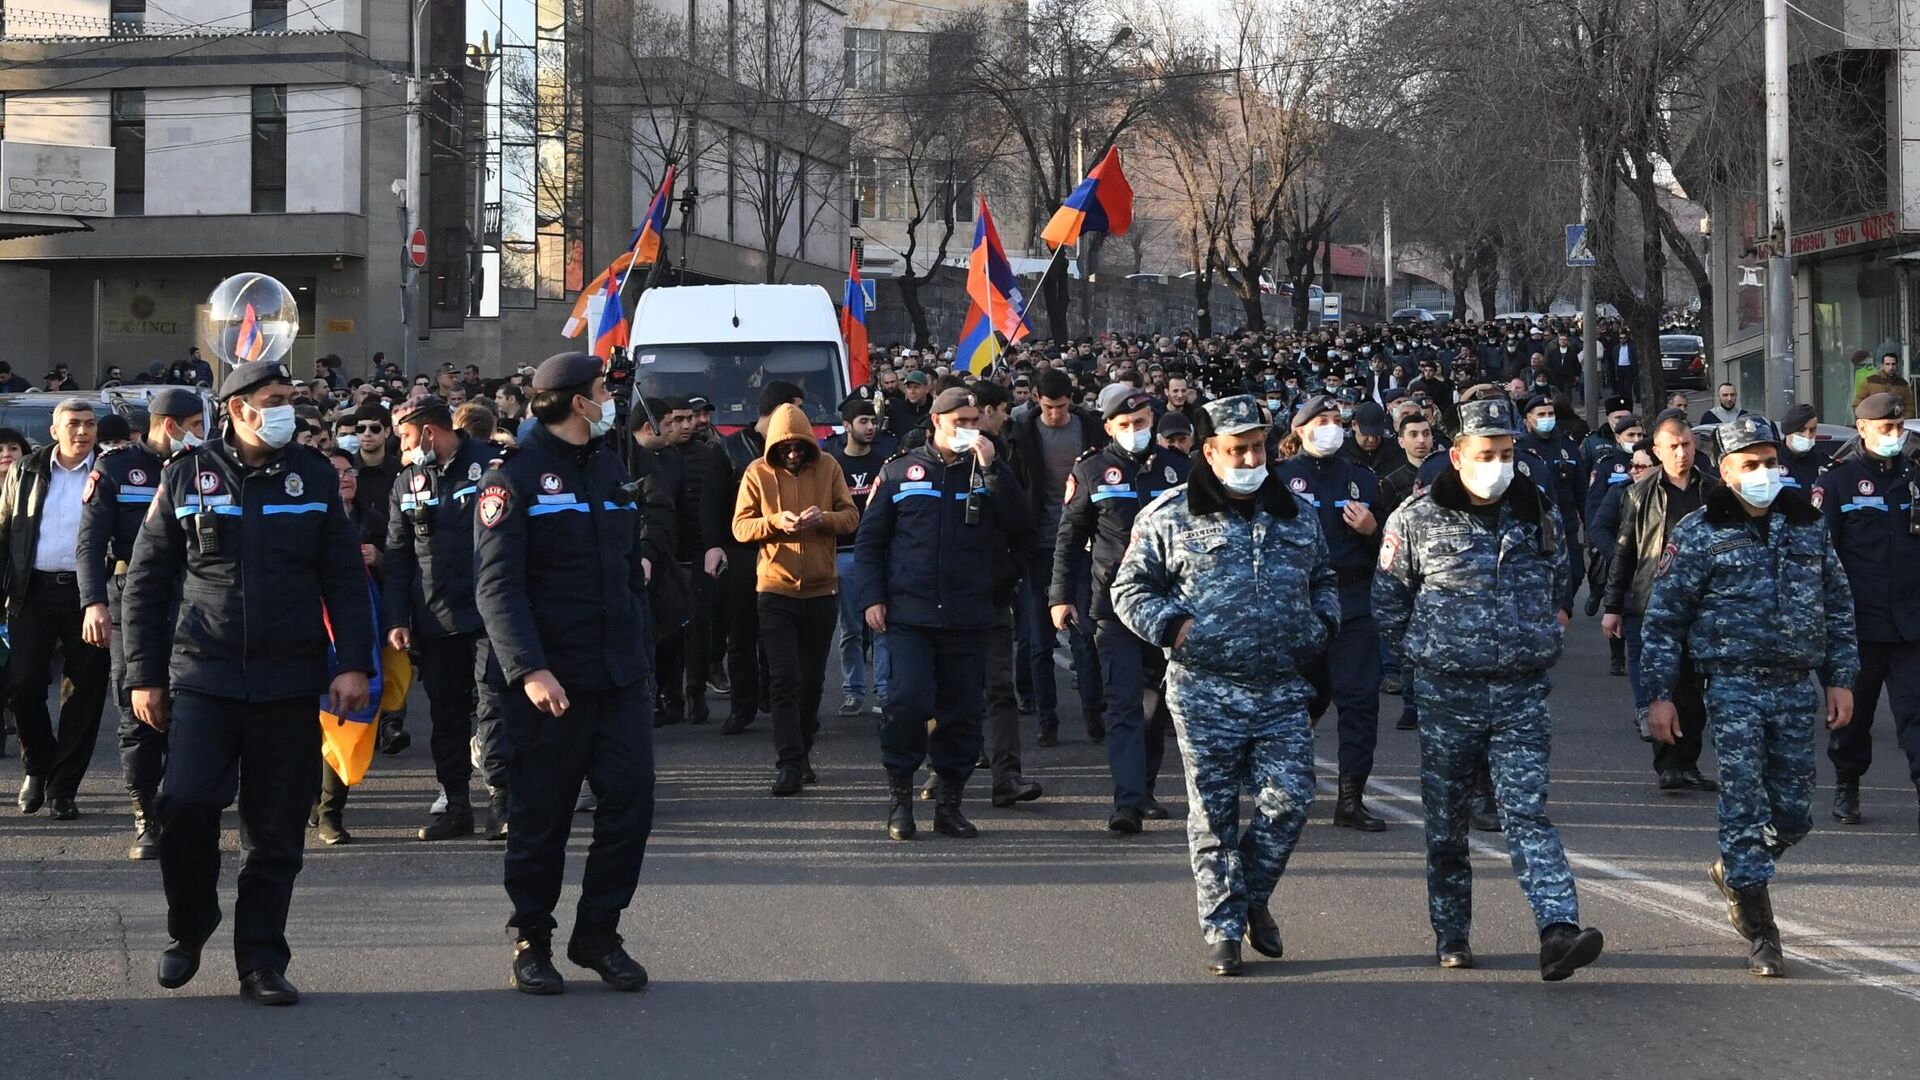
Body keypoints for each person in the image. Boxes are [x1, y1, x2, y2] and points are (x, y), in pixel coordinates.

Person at [123, 358, 374, 1005]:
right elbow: (147, 584)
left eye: (291, 396)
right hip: (203, 677)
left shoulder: (313, 476)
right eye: (276, 397)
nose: (289, 406)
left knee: (276, 827)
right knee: (183, 804)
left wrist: (353, 662)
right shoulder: (187, 475)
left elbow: (344, 578)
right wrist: (142, 677)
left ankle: (261, 960)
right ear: (239, 408)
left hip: (288, 682)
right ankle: (191, 923)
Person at [1374, 396, 1605, 981]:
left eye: (1506, 453)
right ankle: (1452, 930)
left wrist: (1541, 633)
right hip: (1448, 694)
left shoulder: (1537, 512)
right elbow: (1389, 603)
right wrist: (1428, 664)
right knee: (1447, 822)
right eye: (1485, 454)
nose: (1497, 464)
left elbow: (1559, 580)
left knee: (1527, 812)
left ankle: (1558, 929)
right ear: (1457, 456)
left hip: (1521, 693)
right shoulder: (1415, 518)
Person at [1109, 395, 1337, 976]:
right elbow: (1128, 590)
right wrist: (1175, 628)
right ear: (1209, 452)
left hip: (1281, 686)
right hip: (1205, 686)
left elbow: (1324, 577)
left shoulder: (1296, 513)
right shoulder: (1168, 515)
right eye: (1237, 449)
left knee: (1291, 800)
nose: (1251, 458)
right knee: (1212, 814)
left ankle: (1251, 895)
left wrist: (1320, 625)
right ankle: (1224, 927)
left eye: (1258, 446)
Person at [1640, 415, 1858, 978]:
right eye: (1751, 465)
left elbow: (1837, 605)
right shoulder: (1698, 532)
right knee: (1742, 805)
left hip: (1794, 685)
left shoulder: (1806, 525)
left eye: (1771, 463)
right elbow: (1664, 623)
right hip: (1732, 685)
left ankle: (1735, 870)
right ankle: (1762, 930)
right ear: (1728, 470)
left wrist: (1841, 677)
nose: (1765, 473)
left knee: (1794, 815)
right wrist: (1659, 697)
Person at [473, 351, 655, 995]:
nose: (610, 400)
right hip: (549, 683)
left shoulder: (608, 465)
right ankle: (532, 937)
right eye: (603, 391)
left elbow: (627, 558)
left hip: (619, 673)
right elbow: (497, 588)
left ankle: (598, 931)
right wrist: (528, 669)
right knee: (541, 816)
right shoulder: (513, 479)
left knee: (631, 802)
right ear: (579, 402)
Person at [851, 386, 1032, 841]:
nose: (970, 429)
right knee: (907, 704)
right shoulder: (898, 472)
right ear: (937, 421)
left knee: (963, 713)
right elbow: (870, 543)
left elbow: (1021, 523)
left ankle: (950, 804)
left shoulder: (991, 470)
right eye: (960, 422)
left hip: (970, 613)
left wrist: (993, 468)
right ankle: (900, 801)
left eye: (975, 421)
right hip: (910, 615)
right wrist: (872, 597)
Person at [1051, 388, 1191, 833]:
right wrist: (1059, 597)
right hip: (1113, 606)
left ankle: (1146, 788)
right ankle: (1127, 801)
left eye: (1143, 422)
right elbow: (1069, 539)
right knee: (1124, 701)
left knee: (1156, 701)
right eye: (1126, 425)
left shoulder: (1180, 470)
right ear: (1109, 427)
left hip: (1169, 606)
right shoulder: (1091, 471)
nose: (1136, 431)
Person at [76, 388, 205, 858]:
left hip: (195, 601)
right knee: (138, 709)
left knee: (194, 705)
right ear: (169, 425)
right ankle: (144, 811)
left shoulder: (203, 467)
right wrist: (93, 602)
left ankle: (182, 801)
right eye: (194, 426)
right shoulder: (115, 468)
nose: (200, 436)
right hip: (134, 600)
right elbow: (90, 543)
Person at [384, 395, 508, 840]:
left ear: (430, 431)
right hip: (435, 619)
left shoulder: (492, 464)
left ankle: (502, 802)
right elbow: (397, 555)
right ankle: (456, 805)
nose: (404, 445)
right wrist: (397, 617)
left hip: (489, 615)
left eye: (406, 436)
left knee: (493, 706)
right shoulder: (407, 483)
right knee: (446, 717)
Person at [730, 402, 859, 795]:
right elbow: (740, 527)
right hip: (775, 589)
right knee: (784, 680)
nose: (791, 454)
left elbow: (851, 517)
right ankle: (787, 761)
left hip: (821, 590)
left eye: (798, 447)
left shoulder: (830, 468)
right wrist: (774, 523)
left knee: (812, 681)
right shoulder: (756, 472)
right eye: (784, 448)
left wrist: (824, 519)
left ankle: (803, 751)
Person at [1273, 395, 1388, 832]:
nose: (1332, 427)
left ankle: (1351, 798)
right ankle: (1286, 789)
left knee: (1360, 701)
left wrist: (1371, 529)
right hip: (1299, 603)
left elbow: (1389, 546)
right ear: (1300, 430)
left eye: (1337, 420)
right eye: (1322, 420)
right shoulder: (1280, 478)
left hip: (1353, 600)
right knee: (1297, 702)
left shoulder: (1361, 477)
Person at [0, 398, 113, 821]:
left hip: (90, 596)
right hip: (32, 592)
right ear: (54, 430)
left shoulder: (109, 471)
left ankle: (64, 786)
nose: (82, 432)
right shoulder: (26, 470)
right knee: (23, 685)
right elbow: (6, 527)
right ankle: (37, 764)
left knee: (82, 695)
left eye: (89, 424)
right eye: (73, 424)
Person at [1814, 393, 1920, 831]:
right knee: (1852, 719)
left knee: (1916, 712)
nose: (1896, 436)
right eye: (1886, 429)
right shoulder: (1838, 483)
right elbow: (1821, 554)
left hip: (1912, 623)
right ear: (1862, 429)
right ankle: (1847, 784)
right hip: (1858, 625)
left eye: (1899, 428)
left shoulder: (1916, 477)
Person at [1603, 410, 1718, 782]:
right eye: (1673, 446)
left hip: (1705, 603)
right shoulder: (1640, 494)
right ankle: (1668, 764)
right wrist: (1613, 606)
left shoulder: (1713, 490)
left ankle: (1688, 761)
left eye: (1686, 445)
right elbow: (1625, 550)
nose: (1681, 453)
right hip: (1656, 600)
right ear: (1657, 450)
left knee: (1695, 691)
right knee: (1664, 683)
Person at [1008, 368, 1106, 746]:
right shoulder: (1023, 432)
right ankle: (1047, 719)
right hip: (1040, 542)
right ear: (1036, 399)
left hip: (1083, 543)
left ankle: (1092, 714)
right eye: (1048, 407)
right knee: (1038, 637)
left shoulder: (1090, 428)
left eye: (1062, 407)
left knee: (1084, 634)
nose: (1054, 415)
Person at [707, 381, 806, 734]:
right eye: (796, 407)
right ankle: (742, 706)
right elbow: (713, 504)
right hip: (742, 552)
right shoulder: (730, 449)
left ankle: (776, 697)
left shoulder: (800, 450)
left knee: (781, 634)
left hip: (784, 551)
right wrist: (714, 546)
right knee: (742, 634)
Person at [823, 399, 896, 717]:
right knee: (851, 629)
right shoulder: (833, 466)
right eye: (863, 421)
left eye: (873, 421)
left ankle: (884, 689)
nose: (870, 427)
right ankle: (853, 691)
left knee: (881, 626)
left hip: (881, 556)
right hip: (843, 555)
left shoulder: (885, 465)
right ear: (847, 424)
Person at [1778, 403, 1829, 492]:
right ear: (1788, 432)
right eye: (1801, 430)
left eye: (1812, 430)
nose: (1807, 436)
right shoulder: (1773, 461)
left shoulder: (1824, 462)